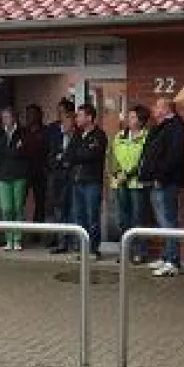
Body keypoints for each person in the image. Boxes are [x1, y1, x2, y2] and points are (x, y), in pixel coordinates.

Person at [139, 97, 184, 277]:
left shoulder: (176, 127)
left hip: (167, 182)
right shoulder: (161, 127)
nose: (153, 108)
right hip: (157, 180)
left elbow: (173, 156)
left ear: (167, 109)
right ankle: (167, 255)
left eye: (157, 106)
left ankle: (173, 261)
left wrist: (161, 176)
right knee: (162, 221)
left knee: (169, 220)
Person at [67, 103, 108, 260]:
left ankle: (93, 249)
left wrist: (78, 155)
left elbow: (91, 155)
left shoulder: (99, 135)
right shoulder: (77, 135)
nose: (77, 118)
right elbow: (69, 154)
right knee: (79, 217)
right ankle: (82, 248)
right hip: (77, 181)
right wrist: (78, 154)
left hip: (92, 182)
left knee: (92, 217)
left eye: (80, 115)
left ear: (89, 117)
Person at [110, 104, 150, 264]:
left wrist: (128, 174)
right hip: (119, 182)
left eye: (133, 117)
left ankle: (140, 252)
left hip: (136, 184)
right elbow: (111, 157)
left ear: (141, 121)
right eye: (129, 116)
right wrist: (117, 173)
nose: (129, 119)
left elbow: (144, 160)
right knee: (122, 219)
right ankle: (124, 252)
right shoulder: (120, 135)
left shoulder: (147, 137)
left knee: (138, 219)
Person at [0, 107, 28, 251]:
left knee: (18, 208)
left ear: (14, 118)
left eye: (7, 117)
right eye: (3, 117)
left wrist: (6, 151)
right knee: (6, 209)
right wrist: (12, 151)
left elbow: (24, 152)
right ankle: (8, 240)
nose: (4, 120)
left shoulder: (22, 132)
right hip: (4, 176)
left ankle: (17, 240)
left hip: (19, 175)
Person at [45, 98, 76, 252]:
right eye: (62, 121)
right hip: (57, 178)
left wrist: (63, 159)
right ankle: (62, 243)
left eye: (66, 120)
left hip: (72, 179)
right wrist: (61, 160)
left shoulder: (77, 137)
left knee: (73, 210)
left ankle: (75, 242)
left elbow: (74, 157)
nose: (63, 124)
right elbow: (51, 156)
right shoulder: (55, 134)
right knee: (59, 211)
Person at [21, 104, 49, 243]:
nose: (29, 117)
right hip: (24, 171)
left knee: (40, 204)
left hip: (40, 172)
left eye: (32, 114)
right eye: (27, 114)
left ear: (39, 115)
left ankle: (37, 233)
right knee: (20, 202)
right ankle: (17, 234)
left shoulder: (46, 131)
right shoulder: (22, 132)